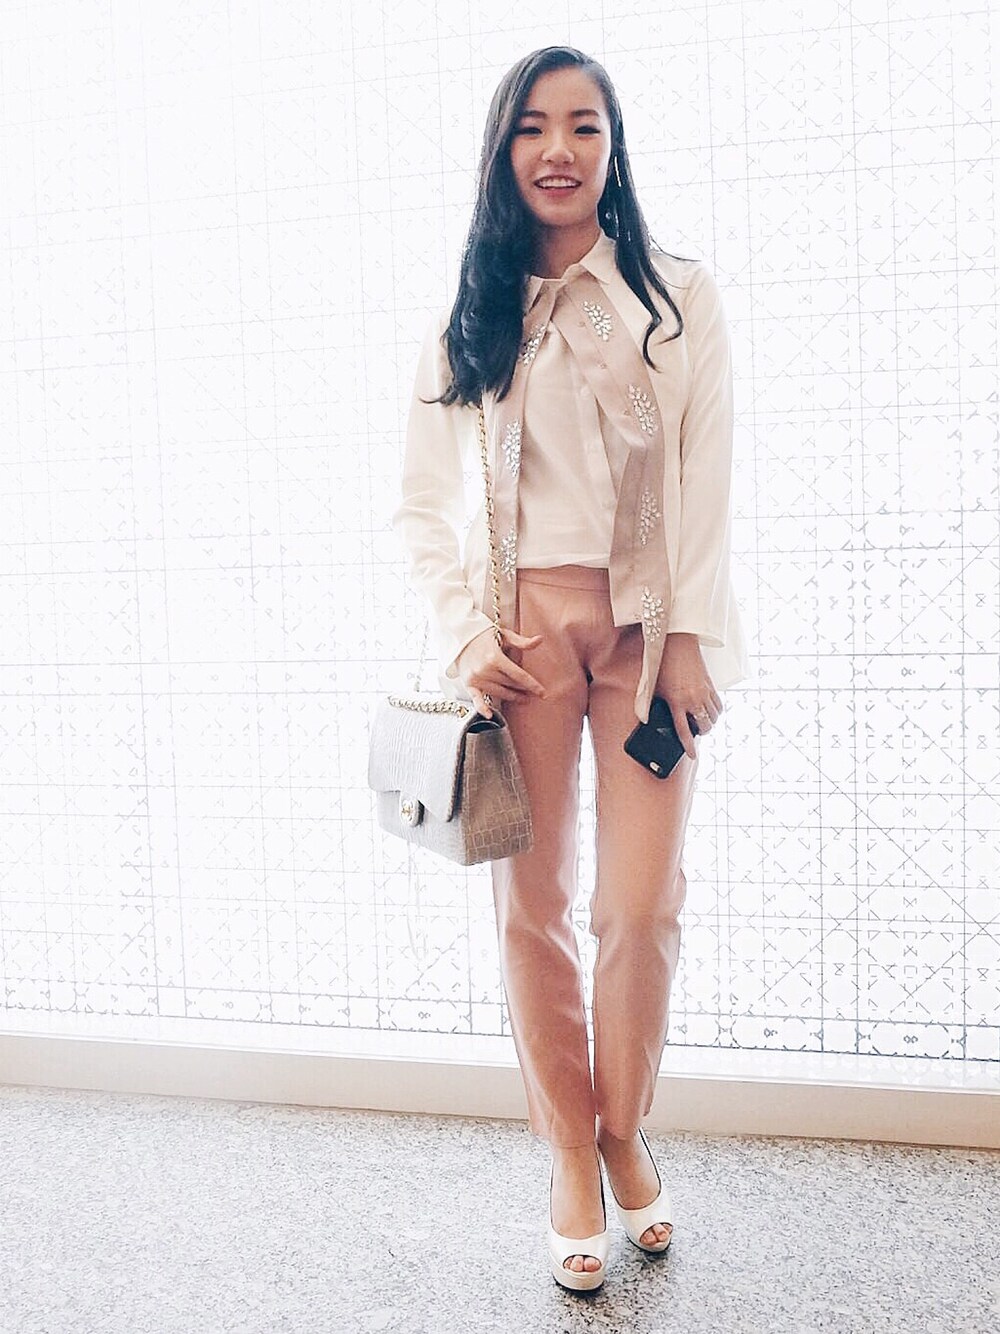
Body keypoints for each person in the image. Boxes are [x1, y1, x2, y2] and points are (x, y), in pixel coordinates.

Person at [391, 45, 750, 1292]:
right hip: (524, 637)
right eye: (534, 127)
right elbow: (419, 506)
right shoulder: (474, 318)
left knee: (639, 904)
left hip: (650, 631)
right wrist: (465, 632)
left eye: (584, 125)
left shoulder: (675, 296)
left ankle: (622, 1125)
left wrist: (688, 634)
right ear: (503, 151)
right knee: (530, 906)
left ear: (612, 145)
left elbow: (705, 475)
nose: (559, 149)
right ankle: (566, 1150)